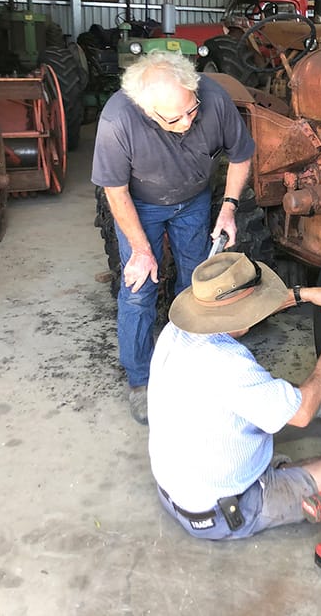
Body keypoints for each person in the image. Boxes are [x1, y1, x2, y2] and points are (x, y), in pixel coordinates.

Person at [147, 252, 321, 540]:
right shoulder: (231, 365)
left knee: (284, 394)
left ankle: (280, 471)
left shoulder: (176, 331)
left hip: (176, 490)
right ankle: (273, 487)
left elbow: (242, 311)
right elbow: (303, 414)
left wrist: (305, 295)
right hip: (221, 511)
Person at [91, 50, 254, 424]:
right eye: (174, 118)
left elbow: (241, 155)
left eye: (191, 110)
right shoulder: (117, 120)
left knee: (195, 284)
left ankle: (190, 361)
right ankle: (141, 381)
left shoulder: (213, 99)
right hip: (140, 205)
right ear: (147, 110)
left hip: (194, 199)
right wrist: (141, 250)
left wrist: (228, 207)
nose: (187, 121)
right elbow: (115, 191)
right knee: (139, 290)